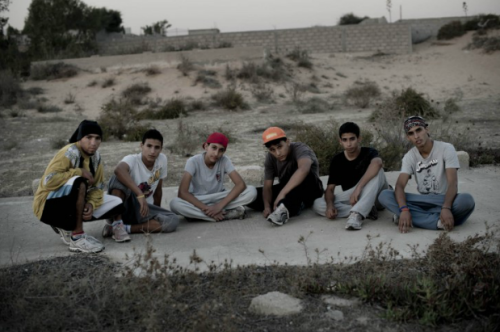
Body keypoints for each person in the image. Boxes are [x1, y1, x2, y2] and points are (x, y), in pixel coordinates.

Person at [33, 120, 123, 253]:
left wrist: (91, 204)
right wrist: (79, 171)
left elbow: (98, 187)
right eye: (89, 137)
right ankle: (77, 237)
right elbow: (48, 180)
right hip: (46, 205)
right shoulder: (70, 152)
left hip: (71, 202)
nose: (93, 143)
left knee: (117, 203)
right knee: (79, 182)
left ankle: (65, 226)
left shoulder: (96, 157)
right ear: (80, 138)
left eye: (97, 138)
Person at [378, 116, 475, 233]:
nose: (416, 136)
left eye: (419, 130)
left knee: (466, 200)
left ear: (427, 130)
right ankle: (436, 222)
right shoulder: (409, 157)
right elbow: (399, 186)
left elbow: (453, 183)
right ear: (408, 137)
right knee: (385, 195)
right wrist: (403, 209)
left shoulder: (446, 149)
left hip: (443, 199)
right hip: (422, 200)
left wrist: (446, 207)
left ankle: (418, 217)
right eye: (411, 133)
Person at [105, 129, 179, 241]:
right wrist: (139, 194)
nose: (152, 151)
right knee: (118, 178)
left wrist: (156, 211)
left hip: (143, 210)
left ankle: (124, 228)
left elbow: (158, 189)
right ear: (141, 146)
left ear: (161, 149)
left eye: (156, 147)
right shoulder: (132, 159)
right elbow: (118, 170)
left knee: (172, 220)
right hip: (124, 207)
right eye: (149, 146)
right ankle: (117, 223)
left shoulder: (162, 160)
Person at [313, 122, 388, 230]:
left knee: (377, 171)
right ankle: (366, 209)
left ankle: (357, 214)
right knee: (318, 204)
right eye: (345, 140)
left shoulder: (369, 152)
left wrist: (359, 188)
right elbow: (330, 189)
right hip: (354, 197)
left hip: (377, 194)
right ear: (340, 141)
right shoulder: (337, 160)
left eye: (352, 139)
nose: (349, 144)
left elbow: (378, 163)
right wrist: (330, 205)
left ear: (359, 139)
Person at [169, 132, 257, 222]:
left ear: (224, 152)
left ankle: (198, 215)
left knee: (251, 191)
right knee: (175, 204)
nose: (216, 153)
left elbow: (241, 185)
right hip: (199, 199)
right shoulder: (193, 161)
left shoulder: (224, 160)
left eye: (221, 150)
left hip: (219, 198)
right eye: (214, 148)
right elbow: (182, 192)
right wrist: (207, 208)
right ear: (206, 146)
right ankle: (224, 215)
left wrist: (219, 206)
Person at [247, 127, 324, 226]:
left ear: (287, 142)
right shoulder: (270, 158)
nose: (277, 153)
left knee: (303, 177)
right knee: (253, 195)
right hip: (287, 189)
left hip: (311, 187)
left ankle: (283, 211)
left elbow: (304, 169)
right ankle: (285, 206)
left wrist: (282, 194)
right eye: (272, 150)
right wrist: (266, 206)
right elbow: (267, 186)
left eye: (280, 147)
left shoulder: (300, 148)